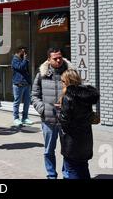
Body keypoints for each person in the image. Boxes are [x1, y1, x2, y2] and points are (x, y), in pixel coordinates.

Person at [32, 47, 75, 179]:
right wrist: (43, 109)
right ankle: (51, 175)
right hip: (48, 120)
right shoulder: (42, 74)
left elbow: (77, 93)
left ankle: (66, 175)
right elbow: (34, 95)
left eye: (60, 57)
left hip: (66, 120)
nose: (58, 60)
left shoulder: (70, 74)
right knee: (49, 150)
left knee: (67, 151)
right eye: (55, 58)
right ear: (49, 59)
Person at [57, 69, 99, 179]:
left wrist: (58, 113)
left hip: (72, 142)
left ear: (67, 81)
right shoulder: (85, 97)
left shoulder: (68, 97)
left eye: (62, 81)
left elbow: (65, 121)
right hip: (85, 140)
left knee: (71, 169)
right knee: (83, 168)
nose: (61, 83)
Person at [11, 46, 33, 127]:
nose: (25, 53)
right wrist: (24, 60)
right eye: (23, 51)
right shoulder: (15, 59)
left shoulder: (24, 59)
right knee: (17, 102)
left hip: (26, 83)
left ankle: (25, 117)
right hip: (18, 84)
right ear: (19, 51)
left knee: (27, 102)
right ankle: (16, 118)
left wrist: (29, 81)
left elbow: (27, 70)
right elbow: (20, 67)